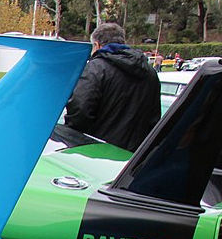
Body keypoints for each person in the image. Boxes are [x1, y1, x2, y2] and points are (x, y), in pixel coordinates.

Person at [64, 22, 160, 152]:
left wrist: (73, 137)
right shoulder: (150, 73)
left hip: (96, 150)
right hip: (133, 155)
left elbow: (80, 110)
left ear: (97, 45)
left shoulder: (95, 69)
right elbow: (154, 117)